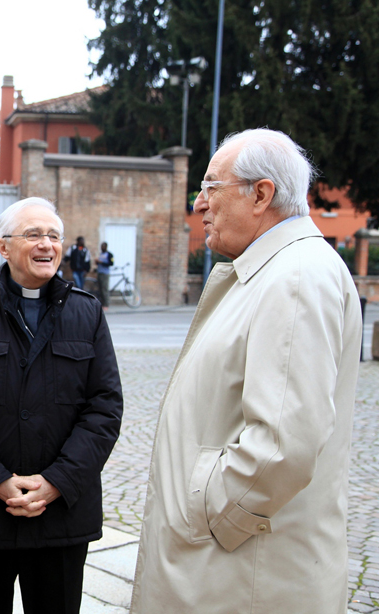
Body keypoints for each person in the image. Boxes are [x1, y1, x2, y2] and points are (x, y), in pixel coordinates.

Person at [131, 129, 362, 613]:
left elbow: (284, 442)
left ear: (261, 195)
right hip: (227, 565)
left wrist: (214, 512)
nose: (199, 203)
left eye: (212, 187)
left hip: (241, 572)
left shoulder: (295, 276)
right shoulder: (274, 269)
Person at [0, 197, 123, 614]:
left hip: (61, 515)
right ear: (4, 247)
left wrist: (57, 482)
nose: (46, 245)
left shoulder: (87, 314)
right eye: (33, 234)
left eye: (53, 235)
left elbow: (104, 407)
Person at [95, 242, 113, 309]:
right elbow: (98, 263)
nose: (102, 248)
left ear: (106, 247)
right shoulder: (100, 254)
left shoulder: (109, 254)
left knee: (104, 289)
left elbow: (111, 263)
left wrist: (101, 262)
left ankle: (106, 304)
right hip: (100, 272)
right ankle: (101, 303)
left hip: (105, 273)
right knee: (100, 289)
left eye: (103, 246)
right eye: (101, 246)